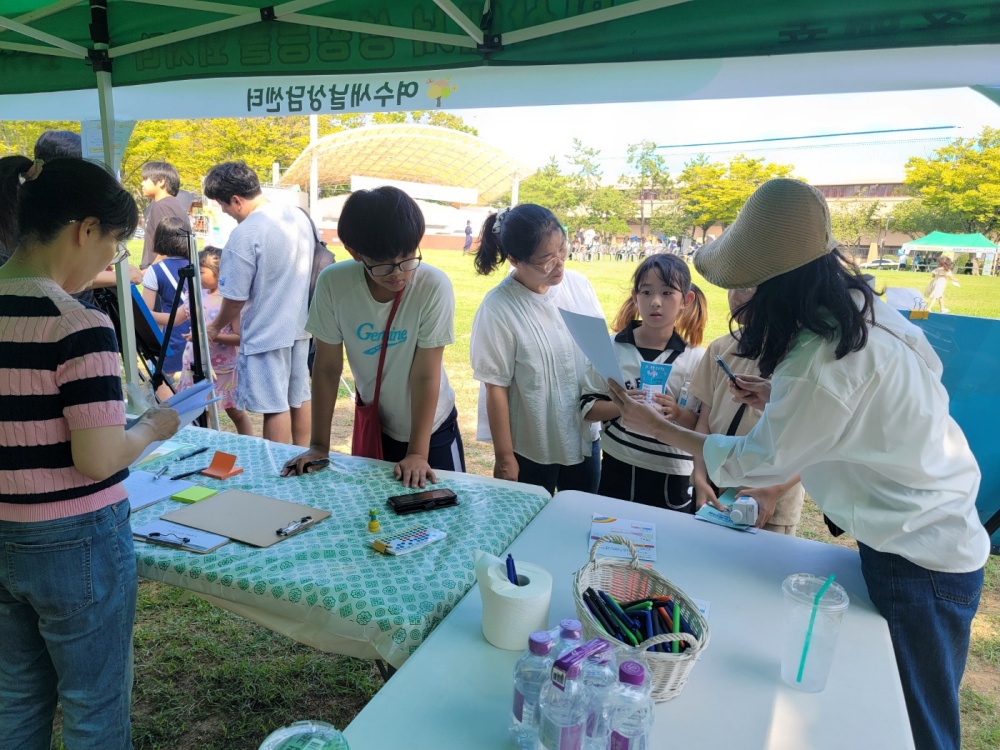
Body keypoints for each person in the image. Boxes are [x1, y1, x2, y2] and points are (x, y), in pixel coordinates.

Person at [608, 178, 988, 750]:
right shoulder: (862, 309)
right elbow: (911, 378)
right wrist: (787, 402)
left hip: (920, 558)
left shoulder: (820, 358)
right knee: (899, 707)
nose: (743, 302)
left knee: (916, 722)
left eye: (749, 288)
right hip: (923, 540)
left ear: (778, 287)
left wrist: (659, 427)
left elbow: (756, 464)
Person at [0, 157, 180, 749]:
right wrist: (150, 428)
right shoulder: (78, 324)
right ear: (85, 230)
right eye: (115, 246)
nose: (111, 260)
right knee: (93, 703)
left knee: (15, 697)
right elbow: (99, 459)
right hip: (75, 538)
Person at [282, 186, 465, 487]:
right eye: (383, 264)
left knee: (446, 505)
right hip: (378, 426)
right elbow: (327, 368)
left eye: (407, 258)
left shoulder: (432, 286)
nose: (398, 274)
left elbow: (425, 374)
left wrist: (417, 454)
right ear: (354, 252)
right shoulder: (333, 284)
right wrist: (319, 446)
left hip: (432, 428)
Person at [470, 204, 603, 495]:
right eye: (546, 260)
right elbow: (496, 388)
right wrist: (505, 457)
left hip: (584, 437)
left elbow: (599, 355)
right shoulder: (498, 308)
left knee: (581, 516)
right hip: (531, 447)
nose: (559, 264)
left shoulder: (578, 287)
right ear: (515, 259)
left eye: (563, 250)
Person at [580, 254, 707, 510]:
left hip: (672, 475)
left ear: (686, 300)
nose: (656, 302)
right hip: (618, 465)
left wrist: (677, 413)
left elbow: (704, 428)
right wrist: (622, 405)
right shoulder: (611, 348)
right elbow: (587, 408)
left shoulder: (696, 359)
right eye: (646, 292)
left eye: (667, 293)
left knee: (667, 535)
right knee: (613, 530)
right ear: (635, 296)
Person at [203, 161, 313, 446]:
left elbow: (234, 298)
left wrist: (215, 326)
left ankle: (276, 465)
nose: (225, 212)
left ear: (236, 200)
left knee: (274, 405)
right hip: (300, 325)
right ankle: (305, 455)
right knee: (300, 396)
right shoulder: (296, 216)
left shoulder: (245, 233)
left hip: (266, 332)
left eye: (223, 206)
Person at [687, 286, 805, 535]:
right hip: (716, 495)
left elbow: (817, 441)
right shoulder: (721, 348)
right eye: (732, 287)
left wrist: (774, 491)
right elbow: (704, 422)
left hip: (770, 504)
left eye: (745, 289)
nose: (734, 297)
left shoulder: (802, 354)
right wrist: (700, 477)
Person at [174, 247, 253, 435]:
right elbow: (174, 319)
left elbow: (239, 338)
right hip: (195, 364)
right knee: (202, 412)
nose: (197, 276)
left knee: (235, 412)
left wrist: (208, 334)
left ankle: (249, 441)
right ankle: (208, 446)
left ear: (219, 273)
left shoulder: (230, 302)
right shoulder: (196, 295)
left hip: (222, 370)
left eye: (201, 272)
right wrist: (144, 313)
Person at [140, 216, 192, 396]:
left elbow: (146, 312)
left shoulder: (155, 271)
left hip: (172, 335)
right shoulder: (199, 266)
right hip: (199, 334)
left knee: (162, 382)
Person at [138, 161, 191, 270]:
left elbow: (168, 249)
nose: (142, 183)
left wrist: (149, 272)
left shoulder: (163, 206)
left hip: (162, 271)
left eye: (145, 179)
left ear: (161, 181)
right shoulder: (171, 204)